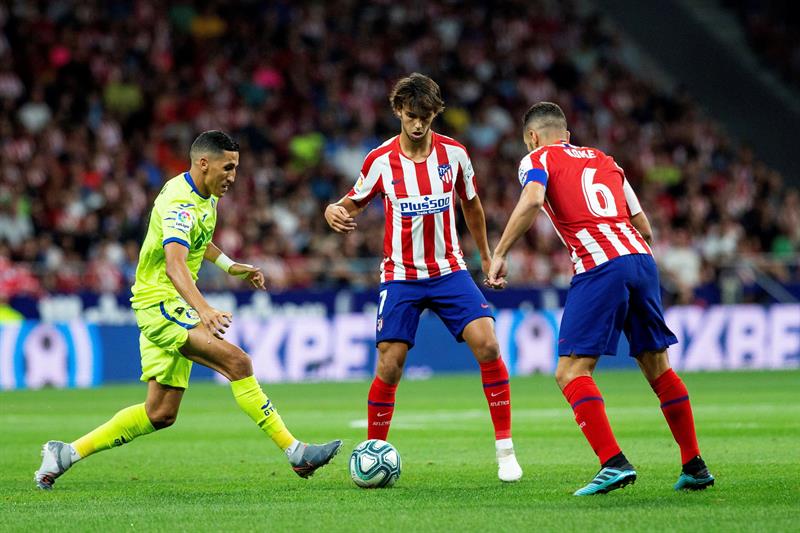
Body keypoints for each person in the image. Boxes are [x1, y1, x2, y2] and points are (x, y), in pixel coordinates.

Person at [35, 131, 341, 490]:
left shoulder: (203, 195)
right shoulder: (181, 202)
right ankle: (296, 452)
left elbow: (199, 240)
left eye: (236, 168)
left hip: (168, 303)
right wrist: (205, 309)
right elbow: (174, 265)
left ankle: (64, 453)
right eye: (228, 168)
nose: (233, 176)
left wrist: (230, 265)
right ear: (203, 163)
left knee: (160, 413)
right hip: (160, 302)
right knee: (238, 362)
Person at [487, 102, 714, 495]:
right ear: (568, 135)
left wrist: (501, 252)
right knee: (657, 365)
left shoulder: (537, 158)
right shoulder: (605, 159)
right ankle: (694, 465)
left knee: (571, 371)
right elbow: (643, 225)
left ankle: (613, 462)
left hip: (599, 264)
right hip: (641, 260)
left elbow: (534, 199)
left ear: (531, 137)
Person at [324, 73, 522, 482]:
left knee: (487, 345)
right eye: (412, 116)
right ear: (398, 111)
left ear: (435, 115)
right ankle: (372, 450)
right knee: (390, 364)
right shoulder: (380, 160)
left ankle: (505, 451)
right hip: (401, 277)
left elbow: (472, 207)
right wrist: (332, 210)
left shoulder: (455, 155)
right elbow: (351, 202)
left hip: (449, 271)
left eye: (426, 117)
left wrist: (486, 257)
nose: (418, 124)